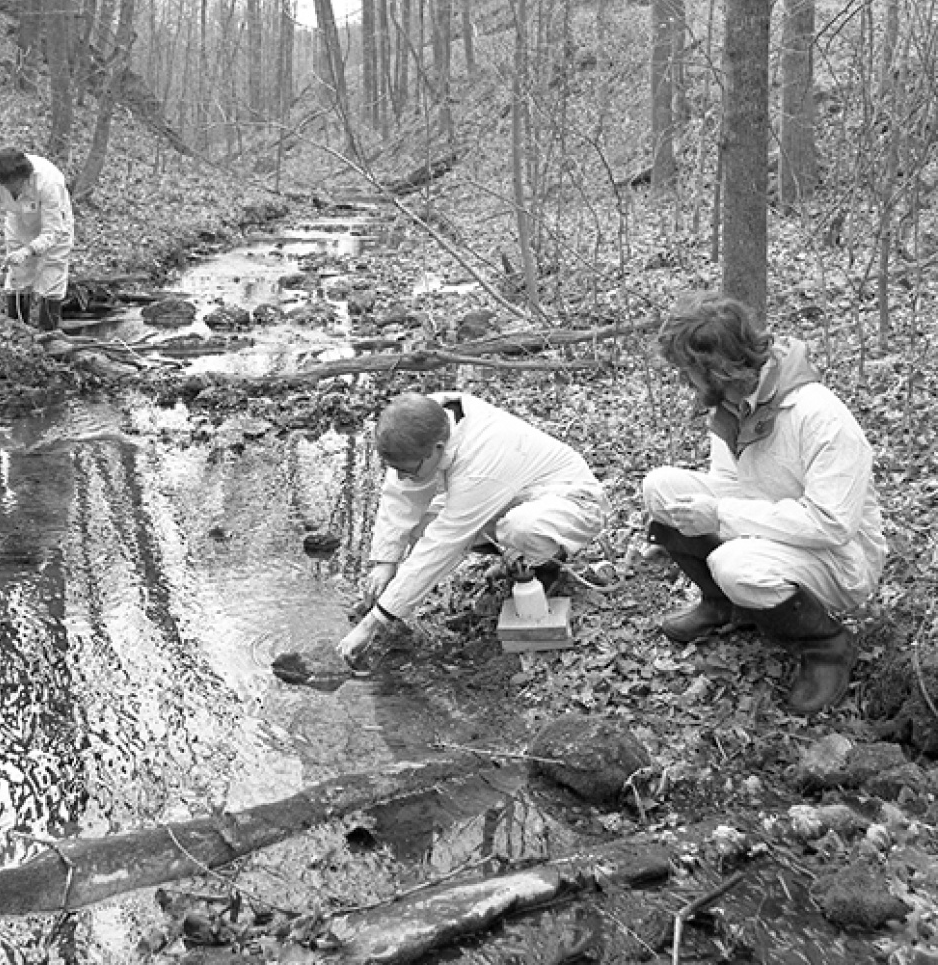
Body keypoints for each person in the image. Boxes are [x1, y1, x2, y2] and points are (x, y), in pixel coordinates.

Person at [642, 292, 886, 715]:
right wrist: (704, 514)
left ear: (718, 368)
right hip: (773, 522)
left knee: (736, 564)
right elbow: (732, 485)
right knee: (662, 487)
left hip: (840, 559)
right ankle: (724, 605)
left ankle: (827, 646)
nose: (686, 383)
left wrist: (720, 516)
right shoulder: (733, 404)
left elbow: (831, 525)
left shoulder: (819, 416)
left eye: (689, 373)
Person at [338, 391, 609, 667]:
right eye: (394, 468)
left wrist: (373, 622)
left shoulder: (478, 461)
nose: (401, 477)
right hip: (511, 495)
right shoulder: (420, 420)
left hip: (573, 503)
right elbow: (400, 497)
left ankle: (546, 566)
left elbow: (443, 544)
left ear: (438, 449)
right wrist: (386, 561)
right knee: (422, 524)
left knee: (519, 528)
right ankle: (518, 556)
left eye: (408, 469)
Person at [0, 146, 75, 331]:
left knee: (52, 275)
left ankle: (48, 335)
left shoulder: (49, 181)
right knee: (18, 276)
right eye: (7, 184)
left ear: (25, 176)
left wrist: (29, 250)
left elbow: (53, 230)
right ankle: (17, 331)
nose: (11, 188)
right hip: (18, 221)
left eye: (15, 183)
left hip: (55, 223)